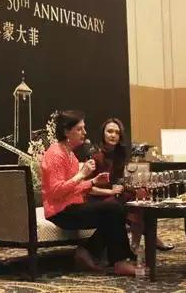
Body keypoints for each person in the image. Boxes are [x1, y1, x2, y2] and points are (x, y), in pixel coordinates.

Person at [41, 110, 136, 275]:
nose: (84, 132)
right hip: (60, 212)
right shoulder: (55, 154)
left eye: (84, 128)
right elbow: (56, 192)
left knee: (114, 211)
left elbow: (73, 188)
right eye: (79, 129)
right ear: (66, 131)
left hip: (72, 206)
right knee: (113, 209)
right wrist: (82, 175)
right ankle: (118, 261)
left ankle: (87, 251)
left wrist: (92, 181)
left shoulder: (70, 154)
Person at [88, 118, 174, 252]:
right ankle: (148, 239)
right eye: (110, 131)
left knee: (143, 193)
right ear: (103, 134)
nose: (113, 135)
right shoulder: (95, 156)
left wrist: (131, 186)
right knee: (134, 205)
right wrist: (111, 191)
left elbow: (119, 181)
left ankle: (135, 244)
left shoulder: (120, 155)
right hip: (99, 197)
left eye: (117, 132)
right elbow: (88, 188)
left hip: (116, 194)